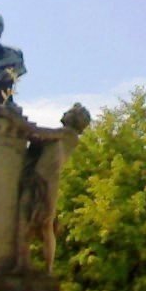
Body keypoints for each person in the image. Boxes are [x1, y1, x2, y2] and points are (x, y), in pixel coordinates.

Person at [15, 104, 91, 273]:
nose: (65, 112)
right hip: (40, 179)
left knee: (43, 224)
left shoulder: (68, 134)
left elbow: (39, 133)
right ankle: (27, 263)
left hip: (45, 181)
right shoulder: (65, 135)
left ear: (75, 119)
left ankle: (46, 268)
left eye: (69, 111)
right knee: (35, 223)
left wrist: (13, 119)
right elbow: (37, 137)